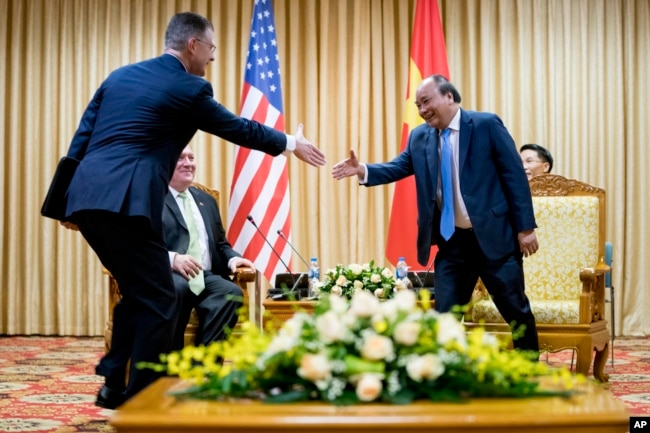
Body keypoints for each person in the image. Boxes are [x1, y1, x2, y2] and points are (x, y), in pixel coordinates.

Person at [59, 12, 325, 409]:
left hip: (87, 197)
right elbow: (238, 128)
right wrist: (289, 142)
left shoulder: (119, 76)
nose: (212, 58)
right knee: (162, 296)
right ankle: (142, 399)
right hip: (127, 202)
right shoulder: (190, 87)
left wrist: (66, 198)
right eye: (212, 48)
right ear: (194, 45)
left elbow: (84, 133)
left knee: (139, 292)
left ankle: (114, 383)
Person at [332, 74, 539, 355]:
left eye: (426, 101)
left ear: (449, 97)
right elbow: (399, 166)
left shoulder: (485, 125)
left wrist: (525, 228)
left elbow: (514, 176)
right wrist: (363, 170)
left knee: (516, 310)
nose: (421, 110)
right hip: (453, 243)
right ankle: (445, 373)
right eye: (418, 105)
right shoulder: (420, 137)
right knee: (444, 317)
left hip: (495, 237)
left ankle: (530, 371)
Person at [164, 145, 254, 351]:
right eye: (180, 158)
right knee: (178, 289)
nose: (188, 163)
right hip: (170, 275)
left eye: (191, 158)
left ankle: (203, 366)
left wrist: (233, 259)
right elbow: (141, 245)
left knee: (230, 292)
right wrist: (173, 259)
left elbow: (220, 244)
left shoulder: (206, 200)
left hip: (204, 276)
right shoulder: (152, 197)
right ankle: (169, 368)